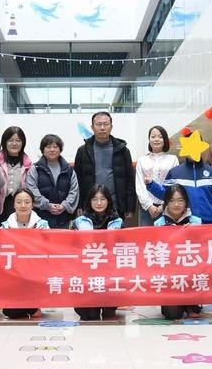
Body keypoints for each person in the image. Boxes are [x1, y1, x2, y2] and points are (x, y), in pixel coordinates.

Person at [72, 184, 122, 321]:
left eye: (102, 199)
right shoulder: (79, 222)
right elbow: (71, 248)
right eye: (95, 199)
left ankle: (110, 305)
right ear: (89, 201)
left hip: (110, 272)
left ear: (108, 201)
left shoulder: (118, 222)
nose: (99, 203)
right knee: (89, 315)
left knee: (108, 314)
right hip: (87, 272)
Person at [154, 184, 203, 320]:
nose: (176, 204)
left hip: (191, 275)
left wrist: (194, 234)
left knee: (195, 312)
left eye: (180, 200)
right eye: (172, 201)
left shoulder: (196, 222)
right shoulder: (158, 224)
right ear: (166, 203)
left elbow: (204, 251)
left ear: (186, 202)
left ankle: (191, 304)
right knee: (172, 314)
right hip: (170, 276)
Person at [74, 112, 136, 220]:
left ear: (111, 127)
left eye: (106, 124)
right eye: (98, 124)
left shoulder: (122, 150)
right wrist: (79, 205)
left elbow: (130, 181)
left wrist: (129, 207)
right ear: (92, 127)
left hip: (116, 206)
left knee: (115, 231)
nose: (102, 128)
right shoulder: (83, 151)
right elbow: (77, 181)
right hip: (89, 206)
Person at [1, 189, 50, 319]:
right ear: (14, 204)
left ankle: (32, 304)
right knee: (10, 313)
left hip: (35, 274)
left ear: (32, 204)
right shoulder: (4, 227)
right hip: (13, 275)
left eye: (27, 202)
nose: (23, 205)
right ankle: (27, 306)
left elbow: (49, 249)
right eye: (19, 202)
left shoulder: (43, 225)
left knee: (33, 312)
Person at [146, 151, 212, 224]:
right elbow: (165, 195)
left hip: (209, 223)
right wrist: (151, 184)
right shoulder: (175, 173)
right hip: (184, 224)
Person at [26, 134, 79, 229]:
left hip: (64, 218)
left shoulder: (69, 169)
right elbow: (31, 189)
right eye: (48, 147)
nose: (52, 150)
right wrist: (47, 205)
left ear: (60, 149)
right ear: (42, 149)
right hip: (40, 218)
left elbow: (74, 191)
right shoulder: (35, 169)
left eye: (55, 147)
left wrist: (64, 206)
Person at [135, 126, 179, 226]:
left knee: (167, 234)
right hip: (146, 208)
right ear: (149, 139)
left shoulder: (173, 159)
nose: (156, 139)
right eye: (153, 136)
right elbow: (139, 185)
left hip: (168, 207)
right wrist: (149, 206)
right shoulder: (142, 160)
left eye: (160, 136)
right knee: (146, 235)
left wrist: (163, 205)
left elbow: (174, 185)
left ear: (165, 140)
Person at [0, 126, 33, 226]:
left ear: (23, 143)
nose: (14, 143)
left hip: (20, 207)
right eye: (10, 140)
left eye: (18, 140)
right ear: (4, 142)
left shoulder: (28, 164)